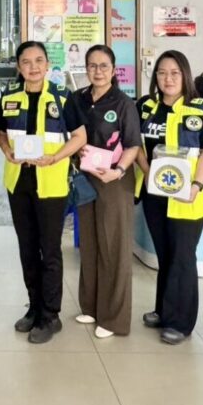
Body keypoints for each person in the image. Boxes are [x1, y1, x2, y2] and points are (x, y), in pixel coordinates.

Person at [0, 41, 87, 344]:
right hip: (18, 183)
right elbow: (0, 133)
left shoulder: (63, 97)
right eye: (26, 61)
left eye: (38, 61)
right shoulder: (9, 96)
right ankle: (34, 307)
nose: (33, 67)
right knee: (27, 248)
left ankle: (50, 315)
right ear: (18, 66)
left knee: (49, 250)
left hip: (51, 183)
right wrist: (7, 150)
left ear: (48, 64)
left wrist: (56, 157)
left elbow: (79, 137)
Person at [135, 51, 203, 344]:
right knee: (165, 253)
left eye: (174, 73)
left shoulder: (201, 109)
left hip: (188, 196)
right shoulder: (145, 107)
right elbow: (136, 146)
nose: (168, 79)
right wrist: (148, 174)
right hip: (155, 193)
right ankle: (163, 309)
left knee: (182, 255)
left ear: (185, 75)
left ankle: (180, 322)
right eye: (161, 73)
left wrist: (196, 185)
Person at [73, 44, 141, 339]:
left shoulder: (123, 103)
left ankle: (113, 318)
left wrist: (120, 170)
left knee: (113, 247)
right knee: (89, 243)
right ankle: (91, 306)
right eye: (92, 65)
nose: (97, 71)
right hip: (85, 177)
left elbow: (133, 145)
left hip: (114, 179)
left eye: (103, 66)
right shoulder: (78, 98)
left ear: (113, 70)